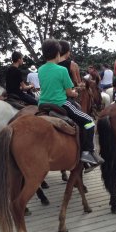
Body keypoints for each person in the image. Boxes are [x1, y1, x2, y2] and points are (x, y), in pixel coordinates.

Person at [38, 38, 104, 167]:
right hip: (60, 103)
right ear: (58, 53)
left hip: (42, 104)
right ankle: (87, 152)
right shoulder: (62, 70)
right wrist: (75, 93)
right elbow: (69, 92)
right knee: (89, 121)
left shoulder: (40, 70)